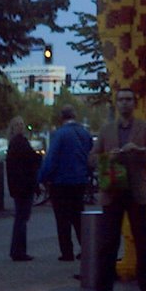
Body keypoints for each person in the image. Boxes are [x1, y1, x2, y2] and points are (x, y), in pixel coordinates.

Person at [82, 87, 146, 291]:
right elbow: (91, 158)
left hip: (136, 192)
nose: (125, 103)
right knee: (108, 245)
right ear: (116, 104)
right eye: (121, 100)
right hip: (113, 191)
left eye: (129, 99)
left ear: (134, 103)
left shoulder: (145, 128)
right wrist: (108, 156)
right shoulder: (106, 130)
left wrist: (140, 150)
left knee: (142, 242)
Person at [39, 106, 92, 262]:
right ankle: (86, 249)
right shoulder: (84, 133)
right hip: (79, 181)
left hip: (61, 182)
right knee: (78, 217)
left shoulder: (60, 134)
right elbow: (91, 155)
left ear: (61, 118)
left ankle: (67, 252)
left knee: (62, 219)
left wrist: (42, 177)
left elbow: (51, 159)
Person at [6, 115, 41, 261]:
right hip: (24, 186)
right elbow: (31, 160)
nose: (21, 126)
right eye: (18, 124)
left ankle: (17, 250)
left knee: (20, 218)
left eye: (22, 124)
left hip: (20, 186)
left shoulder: (14, 143)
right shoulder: (20, 143)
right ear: (13, 128)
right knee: (22, 218)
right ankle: (19, 251)